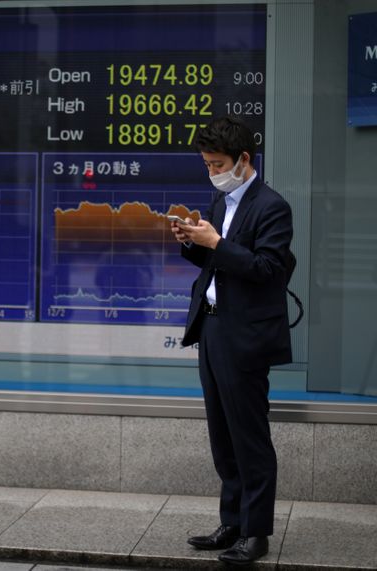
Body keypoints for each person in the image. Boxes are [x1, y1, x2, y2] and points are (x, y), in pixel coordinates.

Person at [170, 116, 293, 565]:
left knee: (249, 436)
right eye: (205, 164)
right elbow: (217, 261)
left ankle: (256, 533)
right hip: (213, 326)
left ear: (244, 160)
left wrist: (217, 243)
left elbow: (267, 270)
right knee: (222, 435)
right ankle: (232, 523)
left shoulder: (272, 206)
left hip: (247, 336)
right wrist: (192, 241)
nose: (211, 172)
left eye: (217, 163)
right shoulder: (221, 201)